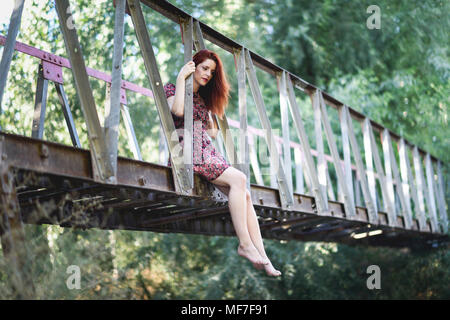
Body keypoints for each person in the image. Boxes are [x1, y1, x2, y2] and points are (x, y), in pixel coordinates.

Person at [164, 49, 281, 277]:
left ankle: (263, 255)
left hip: (206, 150)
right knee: (240, 179)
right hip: (186, 151)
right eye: (204, 68)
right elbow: (177, 110)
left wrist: (209, 108)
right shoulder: (172, 87)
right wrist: (181, 78)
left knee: (244, 193)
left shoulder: (201, 99)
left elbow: (214, 133)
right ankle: (245, 245)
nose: (208, 74)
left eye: (212, 71)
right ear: (193, 66)